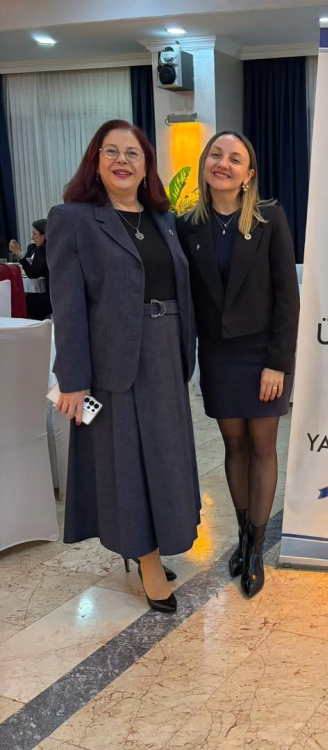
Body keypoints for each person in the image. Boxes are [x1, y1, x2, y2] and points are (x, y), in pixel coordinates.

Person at [47, 119, 201, 613]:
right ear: (95, 162)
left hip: (165, 354)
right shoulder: (73, 219)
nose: (122, 161)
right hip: (114, 365)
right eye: (111, 151)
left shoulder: (163, 218)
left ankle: (159, 541)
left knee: (166, 460)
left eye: (133, 153)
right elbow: (68, 306)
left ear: (146, 165)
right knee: (129, 466)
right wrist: (72, 380)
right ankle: (147, 559)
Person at [176, 131, 299, 599]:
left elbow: (287, 297)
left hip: (264, 355)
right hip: (219, 355)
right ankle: (245, 536)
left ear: (248, 174)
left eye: (234, 158)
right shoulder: (187, 225)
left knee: (262, 444)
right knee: (234, 445)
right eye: (216, 155)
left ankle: (256, 548)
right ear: (205, 164)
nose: (223, 163)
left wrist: (277, 363)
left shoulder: (270, 218)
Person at [9, 219, 52, 319]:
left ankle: (33, 326)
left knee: (24, 300)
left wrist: (19, 254)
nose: (32, 238)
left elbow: (32, 273)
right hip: (65, 294)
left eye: (34, 234)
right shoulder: (55, 248)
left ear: (43, 235)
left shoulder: (42, 250)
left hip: (52, 298)